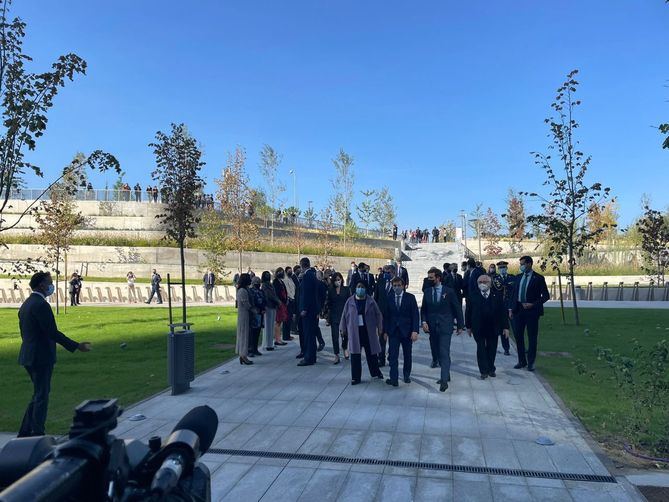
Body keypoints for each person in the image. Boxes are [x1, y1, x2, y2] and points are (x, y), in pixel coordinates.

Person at [18, 272, 91, 437]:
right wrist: (76, 346)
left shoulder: (27, 304)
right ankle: (37, 433)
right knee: (42, 396)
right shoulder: (41, 305)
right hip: (40, 356)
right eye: (50, 283)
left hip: (28, 355)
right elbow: (52, 332)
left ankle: (25, 431)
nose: (52, 286)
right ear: (42, 285)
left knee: (38, 393)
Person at [421, 267, 464, 392]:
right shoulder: (427, 291)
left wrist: (460, 325)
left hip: (445, 326)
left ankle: (444, 380)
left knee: (444, 351)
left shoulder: (449, 291)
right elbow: (424, 309)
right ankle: (447, 374)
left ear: (438, 278)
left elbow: (457, 308)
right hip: (432, 327)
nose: (428, 280)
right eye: (428, 278)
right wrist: (424, 322)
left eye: (431, 278)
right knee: (438, 353)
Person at [508, 256, 550, 371]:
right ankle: (522, 361)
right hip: (518, 310)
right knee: (518, 336)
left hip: (532, 311)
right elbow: (513, 295)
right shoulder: (518, 277)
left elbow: (546, 296)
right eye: (520, 264)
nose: (521, 266)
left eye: (523, 264)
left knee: (532, 338)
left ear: (530, 264)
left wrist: (533, 304)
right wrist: (510, 309)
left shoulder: (538, 278)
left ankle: (531, 362)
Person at [465, 274, 510, 379]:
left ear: (490, 284)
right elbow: (468, 312)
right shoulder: (472, 295)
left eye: (485, 282)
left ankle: (491, 368)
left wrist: (506, 327)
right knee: (481, 349)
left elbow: (503, 312)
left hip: (493, 327)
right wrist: (468, 326)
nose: (482, 284)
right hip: (478, 327)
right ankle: (483, 371)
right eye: (480, 282)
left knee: (492, 348)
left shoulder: (497, 295)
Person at [339, 281, 384, 384]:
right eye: (358, 286)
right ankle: (355, 377)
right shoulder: (350, 301)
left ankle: (376, 372)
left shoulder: (370, 301)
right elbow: (344, 316)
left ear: (365, 288)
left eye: (362, 287)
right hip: (355, 332)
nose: (360, 288)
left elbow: (378, 314)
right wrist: (343, 329)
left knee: (372, 354)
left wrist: (380, 327)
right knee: (355, 355)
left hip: (368, 331)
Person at [383, 277, 419, 387]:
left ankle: (406, 375)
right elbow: (386, 316)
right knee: (393, 355)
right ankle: (394, 378)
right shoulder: (389, 298)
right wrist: (385, 331)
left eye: (399, 285)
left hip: (407, 331)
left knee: (407, 355)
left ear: (403, 286)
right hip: (393, 331)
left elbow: (415, 315)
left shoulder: (410, 298)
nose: (397, 287)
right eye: (394, 286)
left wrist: (415, 330)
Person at [297, 257, 325, 366]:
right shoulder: (312, 275)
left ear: (302, 265)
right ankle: (311, 356)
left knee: (308, 334)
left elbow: (307, 294)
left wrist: (304, 308)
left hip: (308, 312)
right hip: (313, 310)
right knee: (311, 334)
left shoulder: (308, 276)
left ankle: (309, 357)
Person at [325, 272, 349, 364]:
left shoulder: (346, 290)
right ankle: (336, 354)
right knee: (335, 336)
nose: (337, 281)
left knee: (345, 335)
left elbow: (349, 302)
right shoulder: (330, 290)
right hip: (334, 315)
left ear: (342, 280)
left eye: (339, 280)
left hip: (344, 316)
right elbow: (328, 303)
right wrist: (327, 316)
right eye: (335, 280)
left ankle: (345, 347)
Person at [374, 265, 395, 367]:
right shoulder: (380, 282)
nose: (386, 274)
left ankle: (391, 357)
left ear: (393, 273)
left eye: (389, 272)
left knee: (392, 339)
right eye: (385, 272)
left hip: (392, 316)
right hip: (381, 315)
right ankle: (381, 359)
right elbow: (376, 298)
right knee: (381, 338)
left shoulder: (398, 284)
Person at [492, 260, 514, 355]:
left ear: (507, 268)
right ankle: (498, 347)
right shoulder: (494, 279)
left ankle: (507, 348)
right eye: (500, 268)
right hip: (499, 307)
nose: (502, 269)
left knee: (511, 327)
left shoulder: (512, 278)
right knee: (500, 328)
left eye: (504, 267)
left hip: (511, 306)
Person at [235, 274, 253, 365]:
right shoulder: (243, 291)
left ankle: (243, 355)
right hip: (244, 315)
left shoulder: (243, 290)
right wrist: (253, 309)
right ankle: (243, 355)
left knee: (244, 335)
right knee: (243, 335)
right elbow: (246, 304)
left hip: (244, 314)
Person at [247, 276, 265, 357]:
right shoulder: (251, 291)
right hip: (254, 313)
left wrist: (263, 308)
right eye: (256, 283)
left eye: (259, 283)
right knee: (252, 333)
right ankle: (250, 349)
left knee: (257, 332)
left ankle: (255, 348)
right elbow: (252, 302)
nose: (258, 284)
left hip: (260, 313)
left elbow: (264, 300)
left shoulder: (260, 291)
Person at [272, 268, 289, 346]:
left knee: (280, 321)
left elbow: (285, 291)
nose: (282, 273)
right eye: (280, 272)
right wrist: (279, 301)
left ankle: (279, 338)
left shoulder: (281, 281)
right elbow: (276, 293)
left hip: (283, 303)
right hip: (279, 303)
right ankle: (277, 339)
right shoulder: (275, 282)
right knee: (278, 322)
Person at [281, 266, 296, 341]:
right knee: (286, 318)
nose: (291, 272)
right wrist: (290, 297)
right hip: (289, 300)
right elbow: (287, 290)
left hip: (292, 299)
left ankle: (288, 334)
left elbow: (293, 288)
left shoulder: (291, 279)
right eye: (289, 271)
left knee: (289, 318)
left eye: (291, 270)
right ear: (286, 271)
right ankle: (285, 336)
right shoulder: (285, 280)